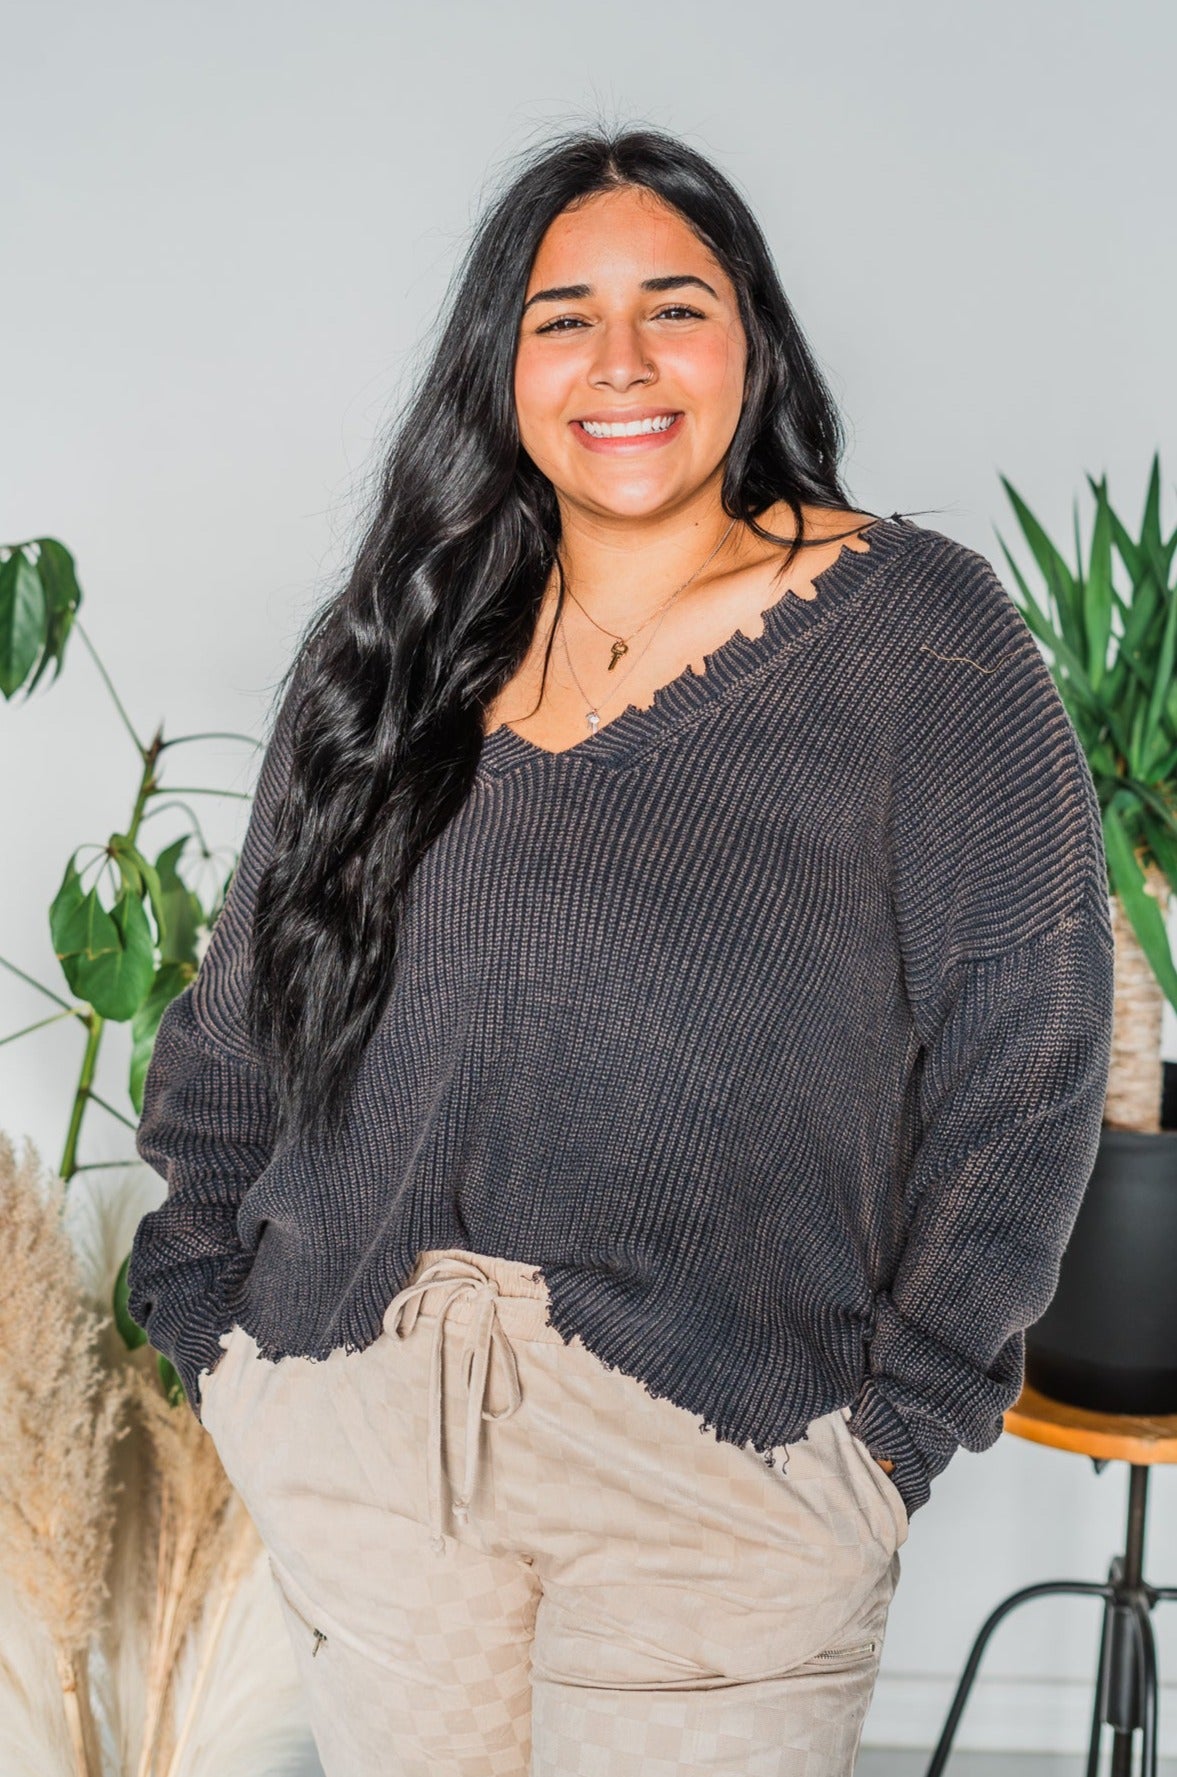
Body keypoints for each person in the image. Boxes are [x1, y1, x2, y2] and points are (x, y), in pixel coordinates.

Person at [127, 126, 1115, 1776]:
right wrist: (225, 1335)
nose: (622, 362)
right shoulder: (398, 649)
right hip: (375, 1442)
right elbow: (242, 1024)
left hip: (716, 1471)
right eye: (560, 317)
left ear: (754, 343)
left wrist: (887, 1437)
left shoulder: (919, 640)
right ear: (500, 370)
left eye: (676, 306)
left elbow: (1028, 1063)